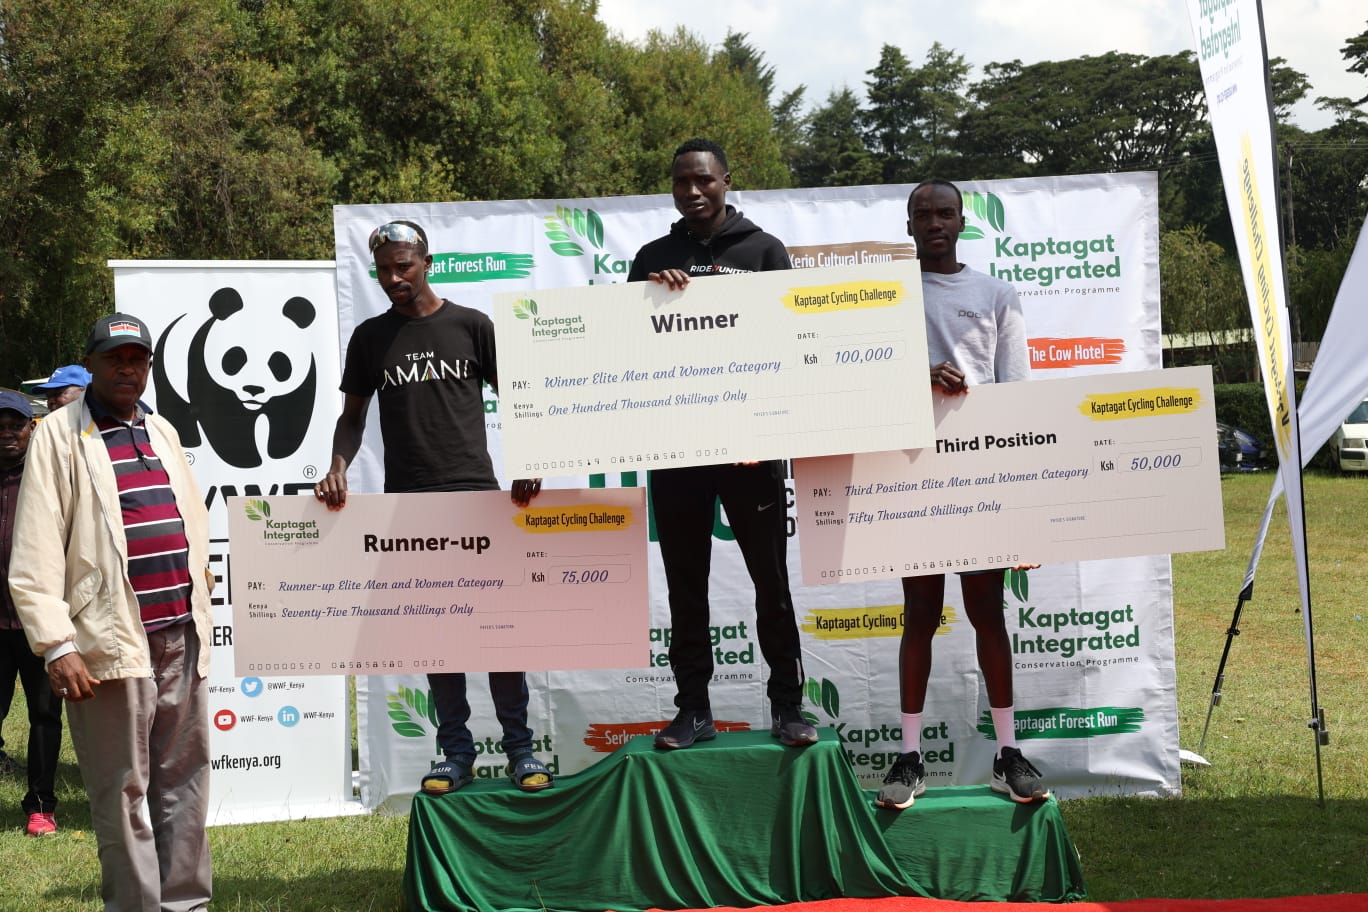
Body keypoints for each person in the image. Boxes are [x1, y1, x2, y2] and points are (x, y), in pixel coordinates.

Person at [314, 219, 552, 795]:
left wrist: (530, 456)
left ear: (427, 263)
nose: (394, 278)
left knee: (499, 631)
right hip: (411, 504)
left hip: (476, 494)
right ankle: (456, 752)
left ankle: (520, 750)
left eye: (404, 266)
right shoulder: (371, 338)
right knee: (439, 632)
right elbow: (352, 417)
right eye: (384, 269)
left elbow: (519, 397)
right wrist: (338, 466)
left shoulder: (472, 326)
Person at [10, 313, 214, 908]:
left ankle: (185, 903)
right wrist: (56, 643)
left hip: (181, 634)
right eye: (114, 358)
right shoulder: (57, 434)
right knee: (121, 791)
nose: (128, 368)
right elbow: (36, 547)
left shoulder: (163, 431)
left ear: (149, 366)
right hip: (108, 640)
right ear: (92, 363)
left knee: (186, 781)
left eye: (138, 359)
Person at [627, 138, 816, 750]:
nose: (693, 191)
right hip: (677, 450)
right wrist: (651, 299)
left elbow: (790, 345)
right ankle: (694, 711)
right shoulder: (651, 257)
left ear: (726, 181)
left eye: (704, 180)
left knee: (771, 582)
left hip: (750, 451)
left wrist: (769, 427)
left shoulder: (764, 251)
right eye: (682, 182)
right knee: (686, 585)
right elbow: (624, 351)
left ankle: (788, 706)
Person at [875, 179, 1048, 810]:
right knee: (919, 612)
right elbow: (860, 378)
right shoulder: (885, 293)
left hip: (979, 479)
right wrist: (918, 379)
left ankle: (1007, 752)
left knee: (987, 611)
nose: (935, 223)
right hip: (910, 475)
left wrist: (1023, 509)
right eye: (924, 214)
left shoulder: (996, 293)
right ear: (910, 223)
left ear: (963, 221)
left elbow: (1018, 398)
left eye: (945, 213)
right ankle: (910, 756)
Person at [0, 391, 64, 836]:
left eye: (15, 425)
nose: (6, 433)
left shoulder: (48, 477)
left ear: (31, 429)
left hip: (37, 623)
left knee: (44, 716)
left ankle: (40, 805)